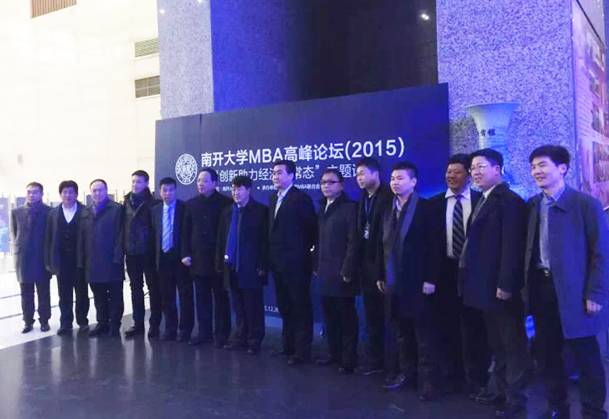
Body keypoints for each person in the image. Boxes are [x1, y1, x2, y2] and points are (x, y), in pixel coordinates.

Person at [526, 145, 609, 419]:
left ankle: (593, 412)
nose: (536, 171)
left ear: (562, 168)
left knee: (586, 357)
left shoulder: (585, 204)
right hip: (543, 289)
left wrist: (595, 293)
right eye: (533, 166)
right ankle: (557, 408)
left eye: (542, 165)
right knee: (548, 355)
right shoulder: (533, 205)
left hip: (577, 292)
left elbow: (601, 253)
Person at [459, 148, 530, 418]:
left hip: (502, 288)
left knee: (513, 346)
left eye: (481, 166)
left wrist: (506, 284)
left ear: (497, 169)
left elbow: (512, 246)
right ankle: (501, 392)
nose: (475, 172)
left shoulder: (509, 201)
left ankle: (516, 400)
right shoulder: (484, 198)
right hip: (485, 286)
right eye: (473, 168)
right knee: (497, 344)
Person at [377, 161, 440, 400]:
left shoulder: (426, 207)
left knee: (423, 335)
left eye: (400, 178)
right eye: (393, 178)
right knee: (402, 332)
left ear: (413, 182)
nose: (395, 182)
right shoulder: (388, 208)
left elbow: (435, 246)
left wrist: (431, 278)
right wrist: (381, 275)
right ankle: (407, 375)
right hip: (394, 281)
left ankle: (428, 382)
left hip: (419, 281)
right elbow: (382, 246)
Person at [427, 154, 490, 396]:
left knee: (475, 327)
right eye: (448, 172)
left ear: (468, 175)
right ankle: (451, 375)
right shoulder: (432, 205)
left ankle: (478, 378)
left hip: (474, 274)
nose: (451, 176)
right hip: (444, 273)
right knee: (446, 326)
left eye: (457, 172)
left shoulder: (481, 201)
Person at [268, 159, 317, 365]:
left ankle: (302, 351)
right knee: (285, 306)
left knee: (300, 307)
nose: (275, 176)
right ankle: (288, 346)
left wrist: (302, 256)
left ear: (291, 175)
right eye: (273, 173)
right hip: (278, 264)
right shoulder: (273, 198)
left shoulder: (301, 199)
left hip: (297, 264)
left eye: (280, 173)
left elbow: (311, 231)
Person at [216, 175, 268, 355]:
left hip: (251, 267)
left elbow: (264, 242)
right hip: (231, 266)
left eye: (239, 189)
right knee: (238, 306)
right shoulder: (227, 212)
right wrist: (220, 263)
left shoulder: (260, 211)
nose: (235, 193)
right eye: (233, 189)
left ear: (248, 190)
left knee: (253, 306)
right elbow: (221, 240)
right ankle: (240, 337)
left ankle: (255, 340)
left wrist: (262, 265)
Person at [314, 168, 359, 374]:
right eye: (323, 182)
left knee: (346, 318)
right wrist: (315, 266)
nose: (326, 186)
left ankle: (348, 360)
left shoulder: (350, 208)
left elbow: (353, 242)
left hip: (342, 273)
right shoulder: (322, 206)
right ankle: (333, 354)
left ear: (341, 185)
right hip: (324, 272)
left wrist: (347, 269)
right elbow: (318, 241)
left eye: (331, 182)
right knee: (329, 316)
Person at [182, 168, 232, 347]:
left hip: (218, 259)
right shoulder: (191, 204)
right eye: (198, 180)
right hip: (197, 259)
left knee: (221, 299)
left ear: (215, 183)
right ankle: (204, 333)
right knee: (202, 298)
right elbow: (185, 231)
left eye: (204, 180)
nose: (200, 184)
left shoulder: (226, 203)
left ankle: (222, 334)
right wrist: (185, 253)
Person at [354, 157, 393, 375]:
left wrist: (382, 271)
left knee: (388, 317)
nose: (358, 178)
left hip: (383, 266)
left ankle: (391, 363)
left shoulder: (387, 197)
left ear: (375, 173)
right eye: (357, 174)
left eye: (362, 173)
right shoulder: (363, 197)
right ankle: (375, 360)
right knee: (371, 316)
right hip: (366, 265)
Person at [44, 180, 90, 335]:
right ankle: (65, 323)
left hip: (80, 260)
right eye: (65, 192)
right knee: (64, 294)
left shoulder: (85, 212)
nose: (68, 195)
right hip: (62, 261)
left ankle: (83, 321)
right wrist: (49, 260)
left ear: (76, 194)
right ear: (60, 194)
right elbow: (48, 238)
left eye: (71, 192)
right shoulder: (53, 214)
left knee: (82, 293)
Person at [151, 177, 194, 342]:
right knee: (166, 297)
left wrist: (187, 254)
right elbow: (154, 235)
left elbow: (188, 233)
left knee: (185, 296)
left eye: (170, 190)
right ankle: (170, 329)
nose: (167, 193)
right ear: (160, 192)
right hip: (162, 259)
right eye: (164, 190)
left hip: (181, 259)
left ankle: (185, 330)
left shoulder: (185, 208)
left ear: (175, 191)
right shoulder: (155, 210)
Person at [81, 179, 125, 338]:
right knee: (98, 297)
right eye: (94, 190)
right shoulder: (85, 212)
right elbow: (82, 238)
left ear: (106, 191)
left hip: (112, 261)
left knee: (115, 297)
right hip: (92, 262)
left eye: (100, 190)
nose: (97, 193)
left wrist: (118, 256)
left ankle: (115, 325)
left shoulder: (117, 209)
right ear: (90, 193)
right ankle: (102, 323)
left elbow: (121, 234)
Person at [123, 170, 162, 339]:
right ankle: (138, 323)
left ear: (146, 183)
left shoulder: (154, 203)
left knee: (154, 289)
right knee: (135, 289)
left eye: (139, 181)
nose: (135, 184)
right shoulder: (125, 203)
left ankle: (154, 324)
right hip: (131, 253)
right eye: (133, 181)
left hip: (149, 252)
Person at [10, 182, 52, 333]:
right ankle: (28, 321)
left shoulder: (49, 212)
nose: (31, 195)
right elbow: (15, 234)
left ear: (41, 194)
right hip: (24, 258)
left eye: (35, 192)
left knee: (43, 292)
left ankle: (44, 320)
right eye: (29, 192)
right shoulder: (16, 212)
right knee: (26, 293)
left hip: (42, 257)